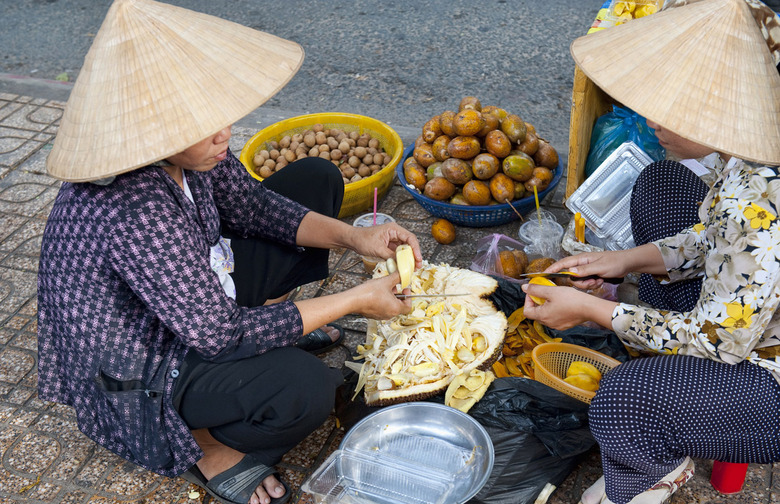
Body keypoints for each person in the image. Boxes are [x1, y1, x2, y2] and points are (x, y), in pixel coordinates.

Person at [36, 1, 421, 504]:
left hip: (194, 304)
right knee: (305, 390)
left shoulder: (191, 153)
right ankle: (203, 444)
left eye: (222, 117)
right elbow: (217, 335)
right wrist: (355, 299)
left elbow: (254, 207)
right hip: (144, 362)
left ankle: (267, 335)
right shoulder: (136, 207)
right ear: (156, 133)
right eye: (206, 126)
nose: (226, 135)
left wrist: (355, 237)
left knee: (315, 179)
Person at [522, 0, 780, 503]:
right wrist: (623, 261)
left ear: (718, 116)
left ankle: (654, 471)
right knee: (661, 182)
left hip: (763, 366)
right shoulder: (750, 153)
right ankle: (670, 373)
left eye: (670, 112)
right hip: (743, 308)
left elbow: (716, 341)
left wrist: (596, 311)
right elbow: (714, 238)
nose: (652, 120)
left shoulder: (761, 210)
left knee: (624, 399)